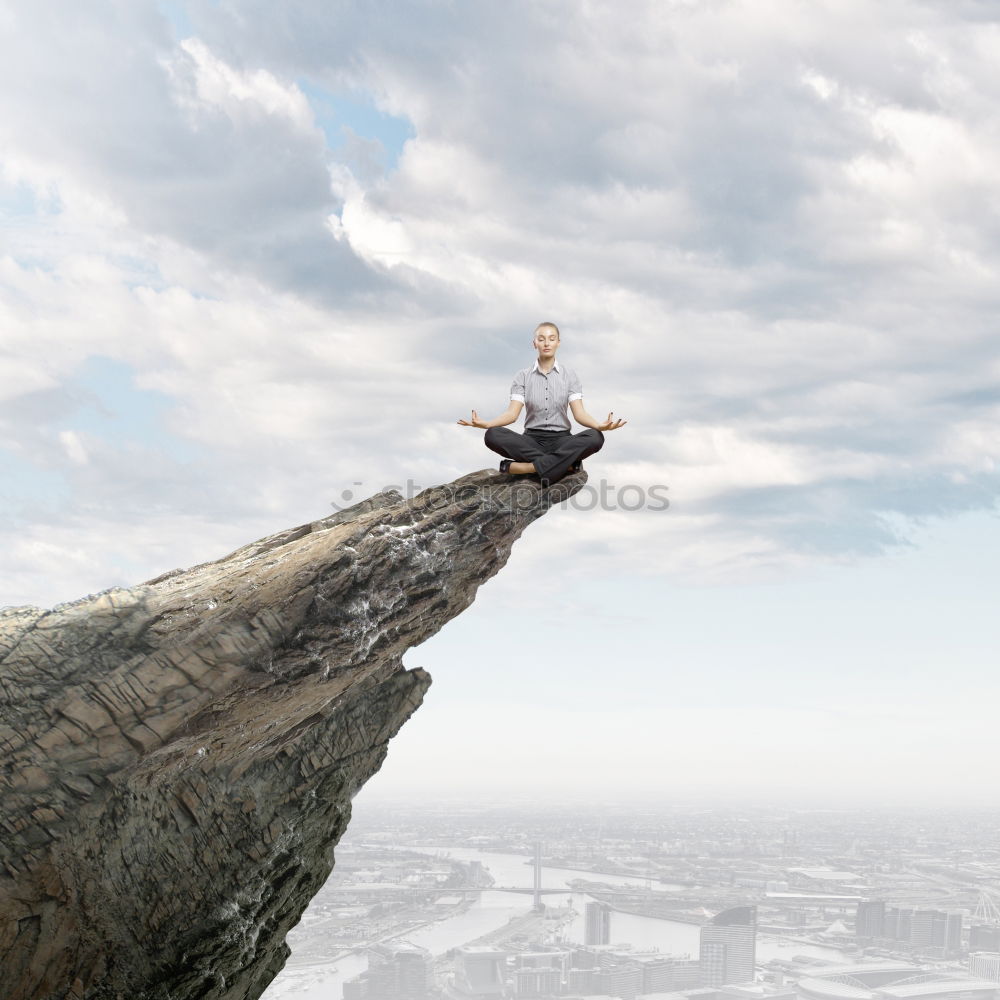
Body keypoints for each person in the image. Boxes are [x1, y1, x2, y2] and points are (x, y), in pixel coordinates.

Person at [457, 321, 627, 486]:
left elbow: (579, 414)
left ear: (558, 343)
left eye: (551, 339)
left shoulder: (570, 376)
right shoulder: (522, 376)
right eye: (541, 339)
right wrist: (487, 424)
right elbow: (512, 414)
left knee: (595, 437)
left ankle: (525, 467)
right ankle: (565, 466)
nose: (546, 343)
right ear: (534, 344)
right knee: (492, 435)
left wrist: (598, 425)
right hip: (531, 440)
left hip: (562, 440)